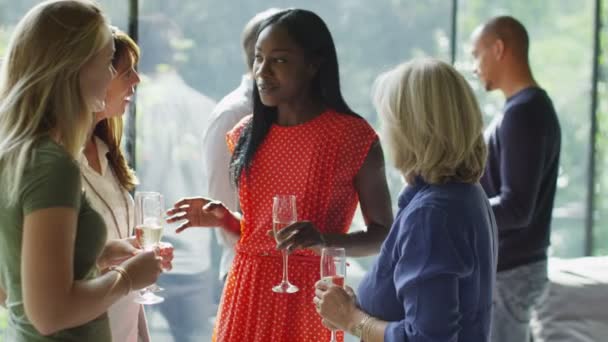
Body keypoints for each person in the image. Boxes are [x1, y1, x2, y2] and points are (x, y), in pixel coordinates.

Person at [167, 8, 393, 342]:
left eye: (280, 60)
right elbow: (263, 233)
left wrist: (324, 241)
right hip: (245, 291)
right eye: (259, 59)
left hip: (311, 299)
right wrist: (226, 219)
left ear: (314, 65)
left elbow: (384, 234)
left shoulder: (352, 137)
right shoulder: (244, 133)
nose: (262, 71)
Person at [0, 1, 170, 341]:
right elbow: (51, 315)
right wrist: (127, 277)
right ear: (73, 66)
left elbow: (16, 280)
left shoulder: (20, 153)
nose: (111, 75)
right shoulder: (52, 165)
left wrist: (100, 255)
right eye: (108, 61)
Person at [314, 58, 498, 341]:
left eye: (387, 120)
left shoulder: (432, 214)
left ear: (412, 130)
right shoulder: (467, 194)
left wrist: (350, 319)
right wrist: (354, 307)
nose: (383, 131)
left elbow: (426, 338)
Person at [470, 16, 561, 342]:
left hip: (512, 273)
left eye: (476, 54)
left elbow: (517, 207)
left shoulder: (525, 113)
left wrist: (457, 214)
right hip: (509, 271)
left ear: (498, 49)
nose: (474, 66)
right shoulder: (524, 109)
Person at [136, 15, 218, 341]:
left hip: (137, 255)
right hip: (194, 259)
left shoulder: (129, 108)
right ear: (175, 55)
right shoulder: (208, 108)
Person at [79, 27, 152, 342]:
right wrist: (105, 258)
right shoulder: (51, 166)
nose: (136, 80)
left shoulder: (108, 153)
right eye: (126, 71)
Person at [202, 8, 281, 288]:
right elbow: (220, 209)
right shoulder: (232, 115)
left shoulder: (289, 113)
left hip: (284, 273)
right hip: (245, 274)